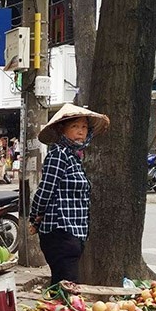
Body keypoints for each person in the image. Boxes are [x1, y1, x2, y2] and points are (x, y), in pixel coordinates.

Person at [29, 103, 110, 285]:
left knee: (62, 286)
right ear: (62, 129)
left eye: (84, 127)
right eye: (75, 126)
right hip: (60, 233)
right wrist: (35, 217)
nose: (81, 131)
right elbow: (45, 190)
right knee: (67, 288)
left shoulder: (74, 156)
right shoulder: (59, 155)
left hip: (74, 234)